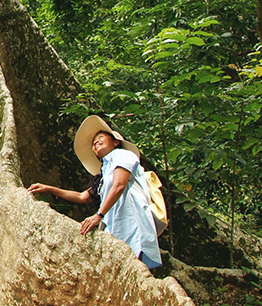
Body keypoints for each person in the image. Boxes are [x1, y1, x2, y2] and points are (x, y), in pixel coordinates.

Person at [27, 115, 162, 269]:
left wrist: (98, 215)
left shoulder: (123, 155)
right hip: (115, 228)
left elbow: (119, 185)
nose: (96, 141)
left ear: (116, 142)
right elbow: (83, 196)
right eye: (93, 142)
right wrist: (49, 189)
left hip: (132, 223)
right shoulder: (104, 175)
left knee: (135, 268)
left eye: (101, 137)